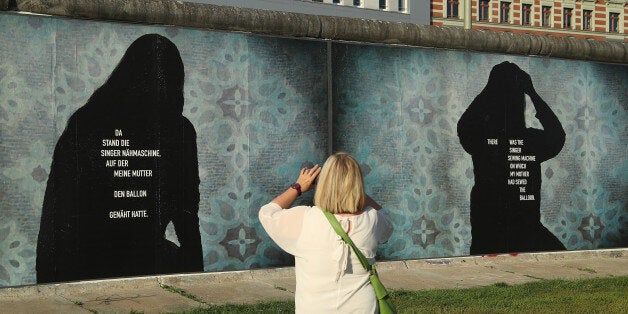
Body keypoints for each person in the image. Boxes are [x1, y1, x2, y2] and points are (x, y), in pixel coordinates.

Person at [36, 34, 203, 283]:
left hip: (88, 266)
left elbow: (57, 212)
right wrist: (197, 278)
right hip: (145, 265)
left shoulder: (87, 122)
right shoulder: (179, 130)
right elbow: (187, 217)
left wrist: (48, 281)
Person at [259, 152, 393, 313]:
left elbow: (267, 213)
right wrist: (352, 190)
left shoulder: (305, 219)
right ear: (357, 184)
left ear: (324, 183)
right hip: (362, 307)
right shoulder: (372, 219)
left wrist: (298, 186)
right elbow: (387, 221)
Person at [457, 61, 566, 255]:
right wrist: (532, 92)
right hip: (521, 236)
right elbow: (557, 135)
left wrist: (490, 90)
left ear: (490, 100)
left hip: (490, 237)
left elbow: (465, 125)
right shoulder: (530, 141)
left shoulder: (480, 138)